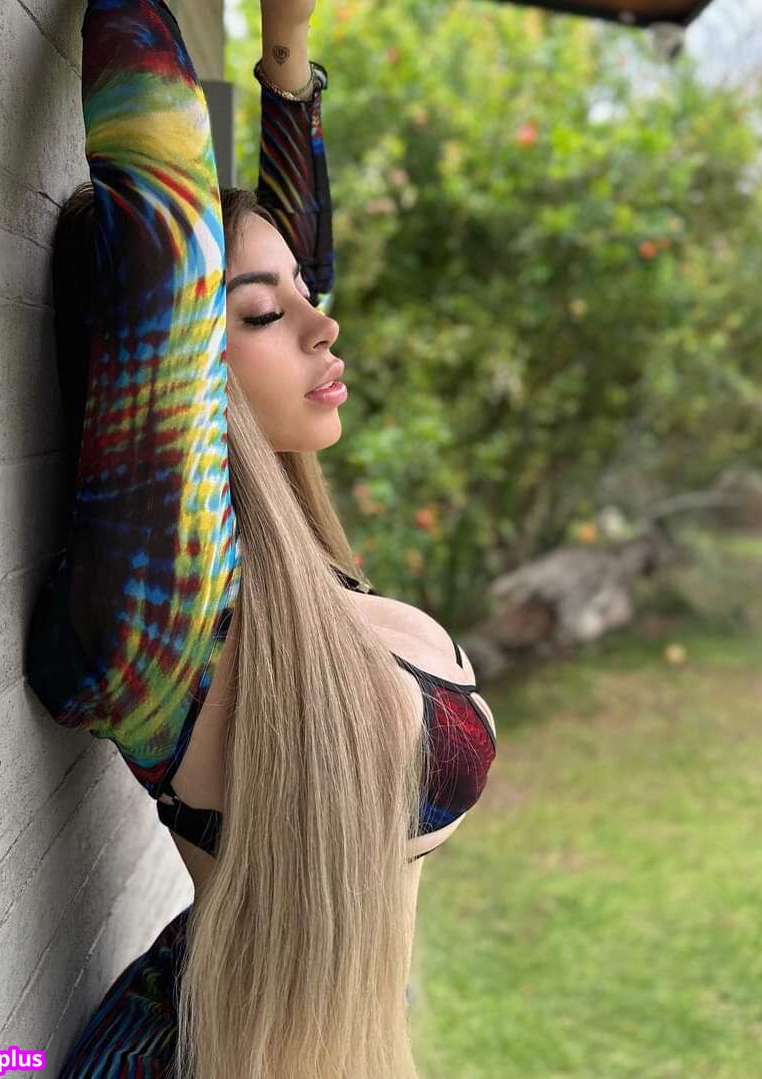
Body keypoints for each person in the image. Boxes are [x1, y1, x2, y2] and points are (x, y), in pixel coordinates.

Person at [25, 1, 498, 1075]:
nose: (324, 325)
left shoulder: (279, 569)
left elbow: (293, 254)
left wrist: (288, 56)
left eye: (303, 298)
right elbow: (164, 190)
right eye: (259, 314)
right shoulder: (167, 621)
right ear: (173, 365)